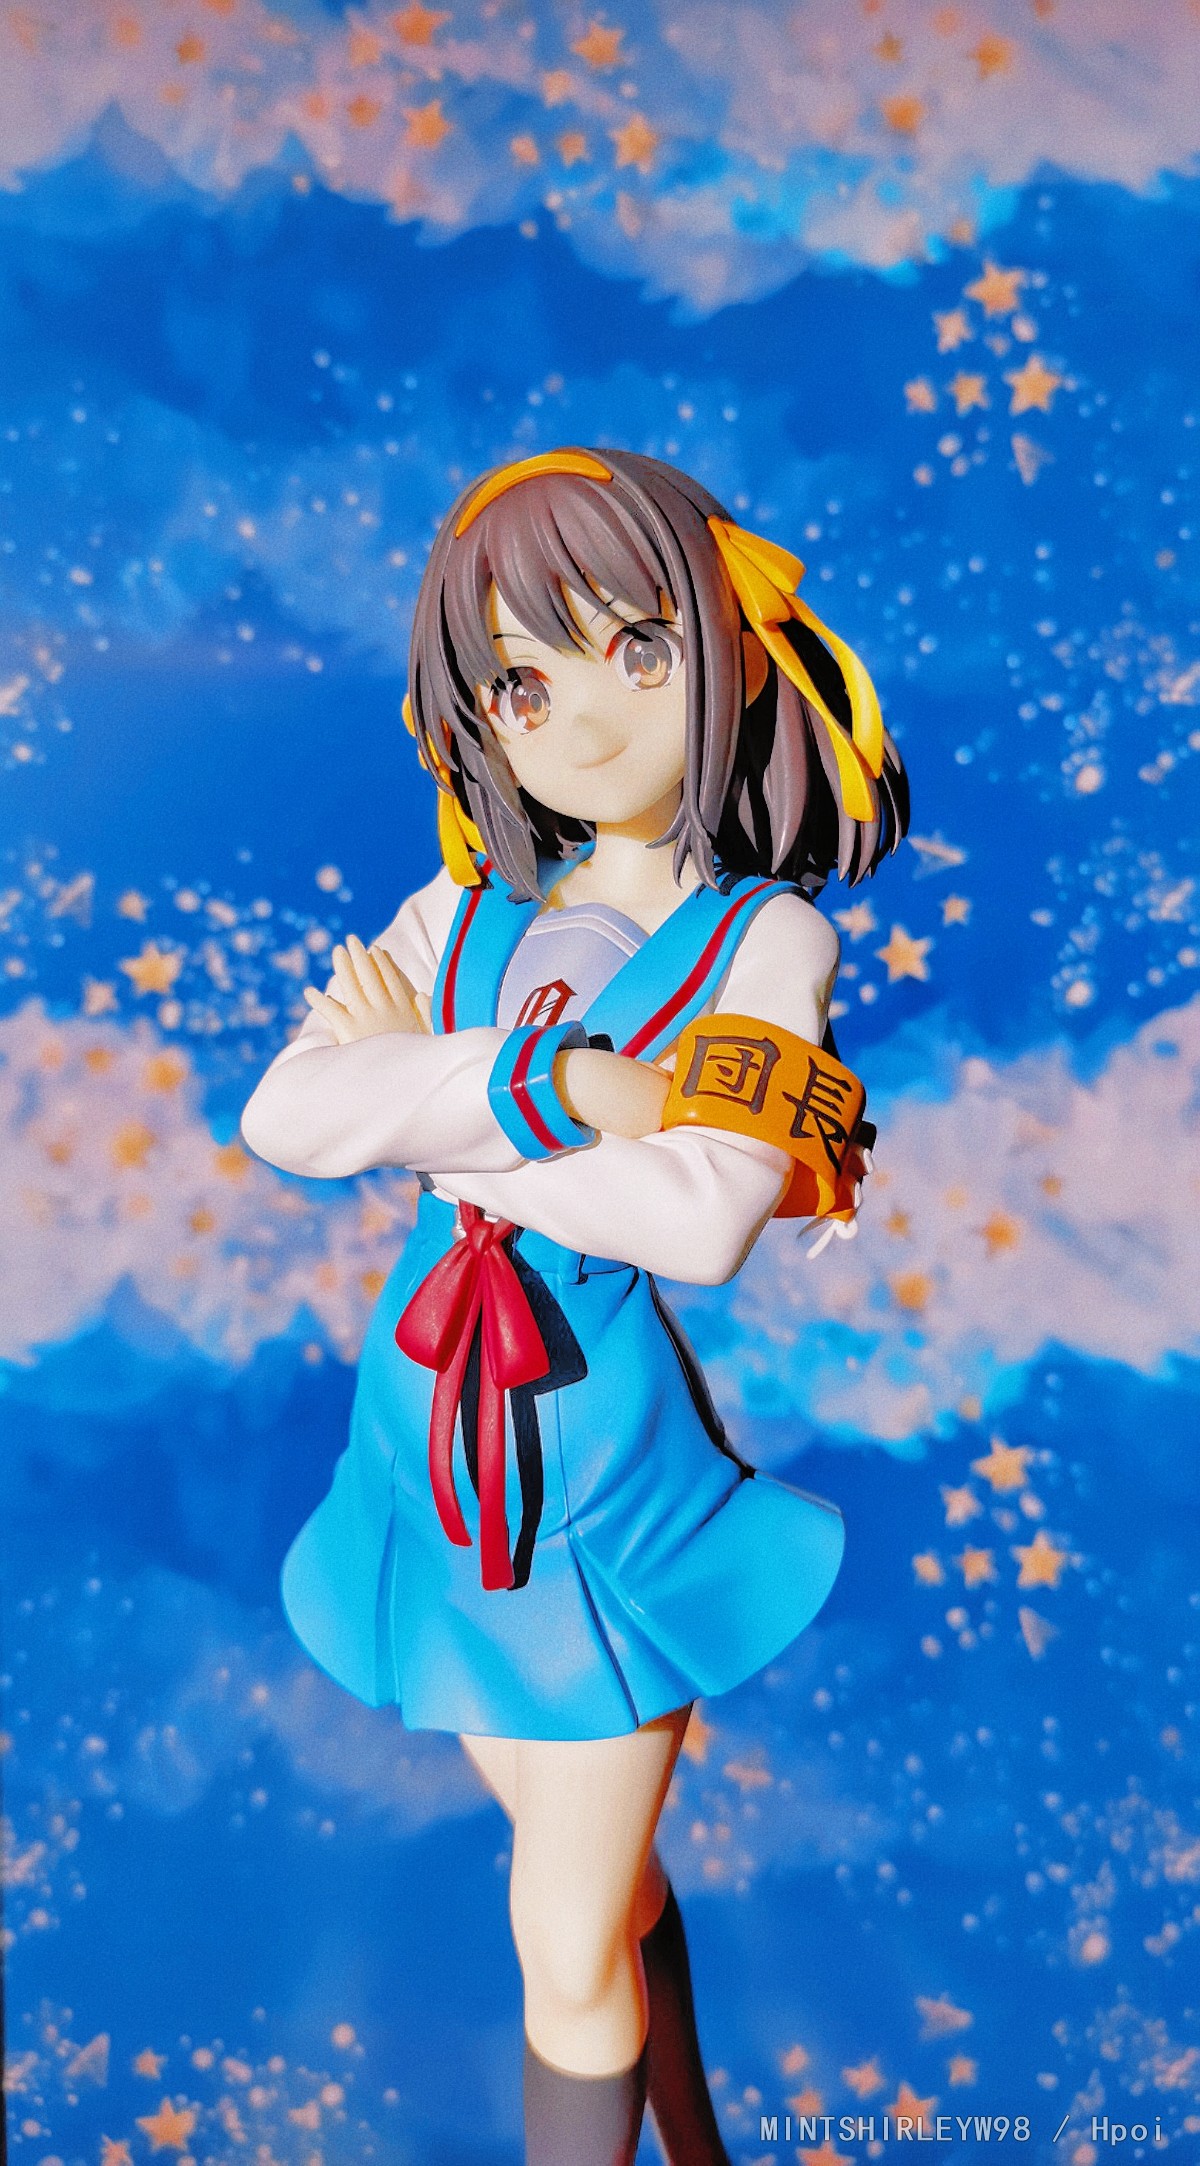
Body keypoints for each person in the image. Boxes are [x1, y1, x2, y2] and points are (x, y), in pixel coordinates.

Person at [240, 448, 909, 2165]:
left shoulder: (765, 942)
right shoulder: (456, 909)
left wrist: (442, 1115)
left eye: (640, 649)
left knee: (557, 1932)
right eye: (527, 682)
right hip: (430, 1475)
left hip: (602, 1485)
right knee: (600, 1886)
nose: (588, 717)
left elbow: (699, 1216)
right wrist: (558, 1087)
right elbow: (286, 1114)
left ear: (729, 648)